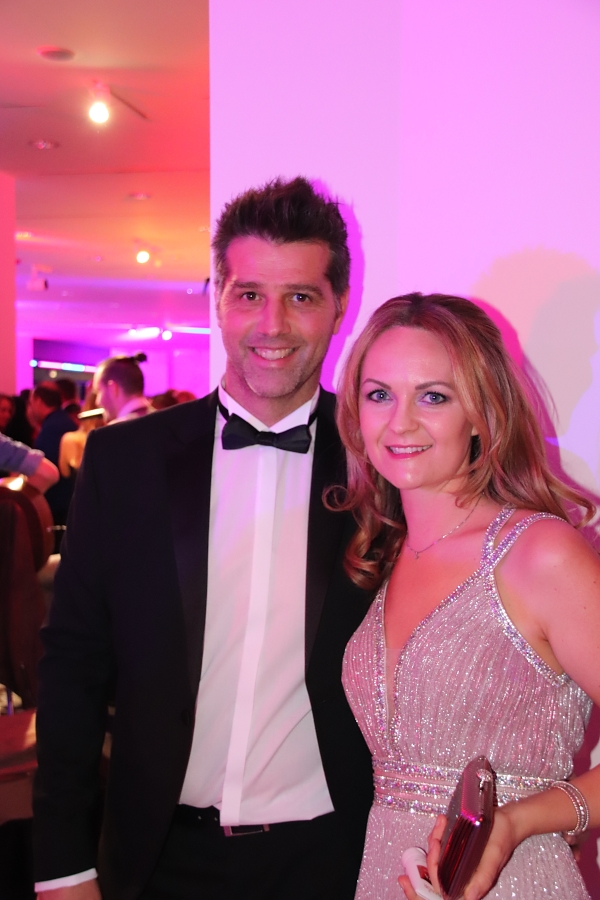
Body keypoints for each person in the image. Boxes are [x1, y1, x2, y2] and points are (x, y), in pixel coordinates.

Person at [33, 177, 373, 900]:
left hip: (332, 860)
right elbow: (73, 666)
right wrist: (63, 862)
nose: (272, 324)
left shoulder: (382, 470)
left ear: (339, 305)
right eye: (249, 294)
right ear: (217, 298)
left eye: (301, 297)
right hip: (156, 861)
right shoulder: (124, 463)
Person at [335, 293, 600, 900]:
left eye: (433, 396)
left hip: (516, 882)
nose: (400, 423)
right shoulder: (384, 555)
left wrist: (516, 822)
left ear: (482, 414)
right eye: (379, 395)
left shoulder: (538, 553)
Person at [29, 385, 78, 546]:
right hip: (70, 502)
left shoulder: (51, 428)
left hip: (58, 505)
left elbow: (44, 468)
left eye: (31, 402)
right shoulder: (65, 421)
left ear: (38, 401)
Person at [92, 353, 152, 424]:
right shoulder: (162, 421)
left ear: (112, 388)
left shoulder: (115, 429)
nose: (97, 402)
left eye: (99, 391)